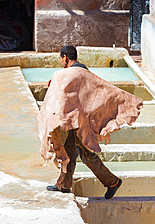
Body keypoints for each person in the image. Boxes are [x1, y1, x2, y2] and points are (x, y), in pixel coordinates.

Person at [45, 45, 122, 199]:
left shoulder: (72, 73)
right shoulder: (84, 72)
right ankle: (64, 184)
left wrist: (54, 85)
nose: (61, 62)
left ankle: (112, 182)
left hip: (80, 123)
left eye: (60, 59)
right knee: (69, 150)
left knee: (87, 154)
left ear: (65, 58)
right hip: (81, 120)